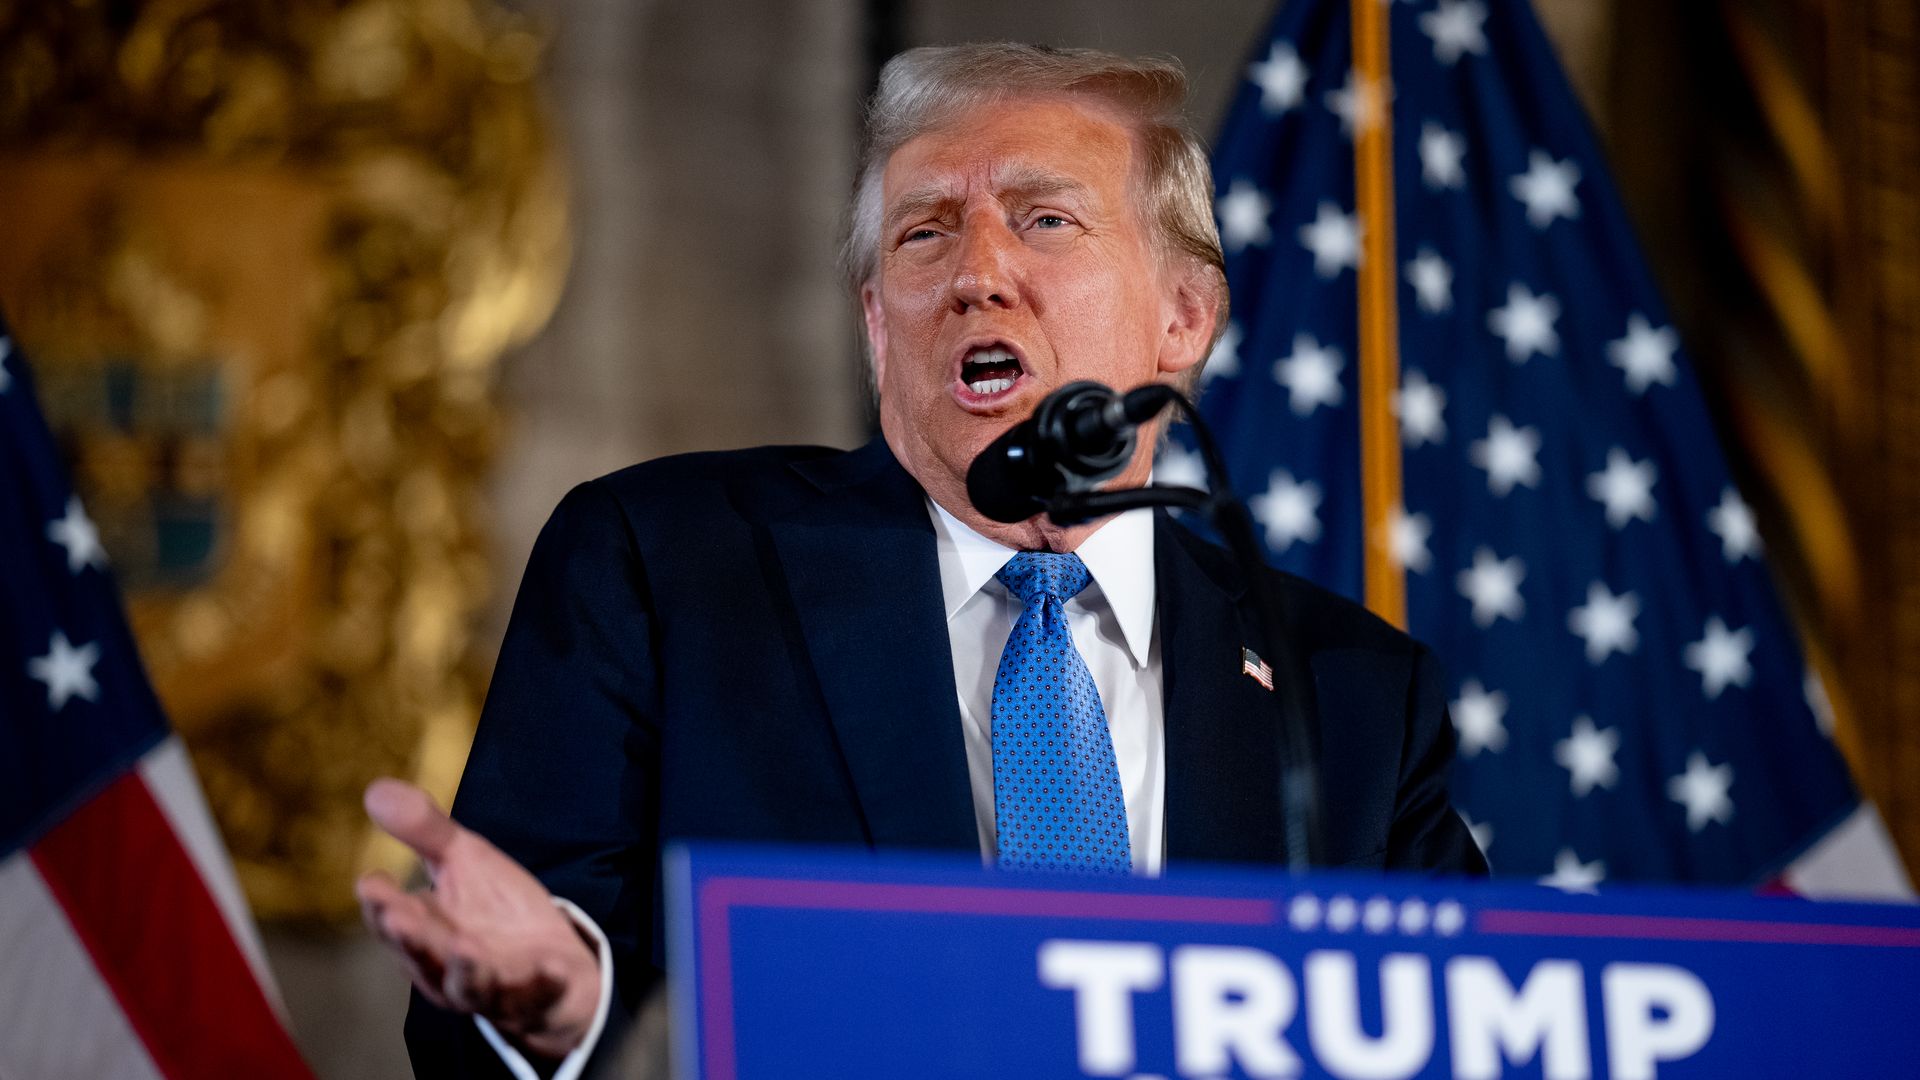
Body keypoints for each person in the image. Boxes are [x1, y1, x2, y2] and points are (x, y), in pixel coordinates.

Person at [357, 42, 1487, 1079]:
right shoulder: (668, 568)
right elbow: (491, 999)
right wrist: (564, 1013)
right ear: (877, 325)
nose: (977, 273)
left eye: (1046, 221)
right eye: (924, 232)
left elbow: (1474, 1039)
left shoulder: (1351, 697)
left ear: (1183, 317)